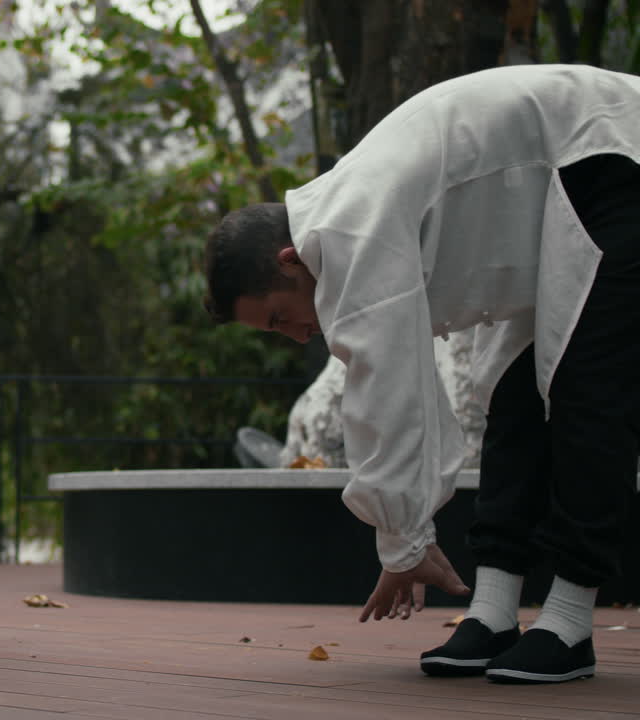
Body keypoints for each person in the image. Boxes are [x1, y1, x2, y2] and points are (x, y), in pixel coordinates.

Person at [202, 64, 640, 684]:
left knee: (586, 393)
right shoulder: (347, 216)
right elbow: (412, 385)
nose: (298, 333)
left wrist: (404, 546)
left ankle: (569, 621)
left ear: (291, 259)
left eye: (279, 317)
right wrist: (406, 533)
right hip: (553, 196)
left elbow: (389, 393)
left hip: (612, 159)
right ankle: (493, 612)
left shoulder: (346, 227)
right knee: (511, 401)